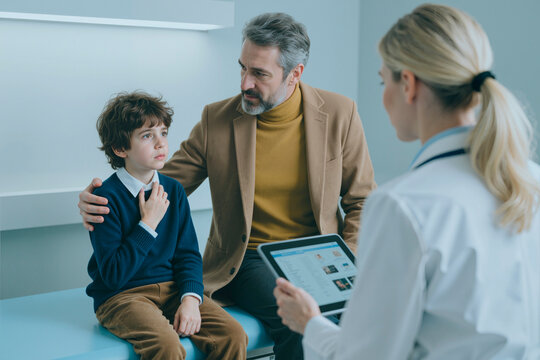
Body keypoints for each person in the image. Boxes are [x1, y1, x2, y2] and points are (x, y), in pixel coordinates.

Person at [79, 12, 376, 359]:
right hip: (251, 259)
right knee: (300, 322)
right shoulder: (218, 119)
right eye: (242, 68)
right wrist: (102, 197)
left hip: (321, 254)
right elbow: (159, 183)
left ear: (294, 74)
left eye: (259, 74)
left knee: (362, 318)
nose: (245, 83)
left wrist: (347, 259)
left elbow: (362, 200)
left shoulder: (341, 113)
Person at [274, 4, 540, 359]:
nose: (383, 95)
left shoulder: (404, 206)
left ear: (409, 85)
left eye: (384, 81)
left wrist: (310, 323)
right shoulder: (529, 179)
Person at [86, 91, 247, 360]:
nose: (161, 143)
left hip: (172, 288)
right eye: (147, 135)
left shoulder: (174, 190)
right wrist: (148, 224)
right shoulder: (105, 198)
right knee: (168, 346)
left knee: (233, 335)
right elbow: (114, 275)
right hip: (122, 297)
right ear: (120, 148)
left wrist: (191, 299)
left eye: (163, 132)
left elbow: (188, 255)